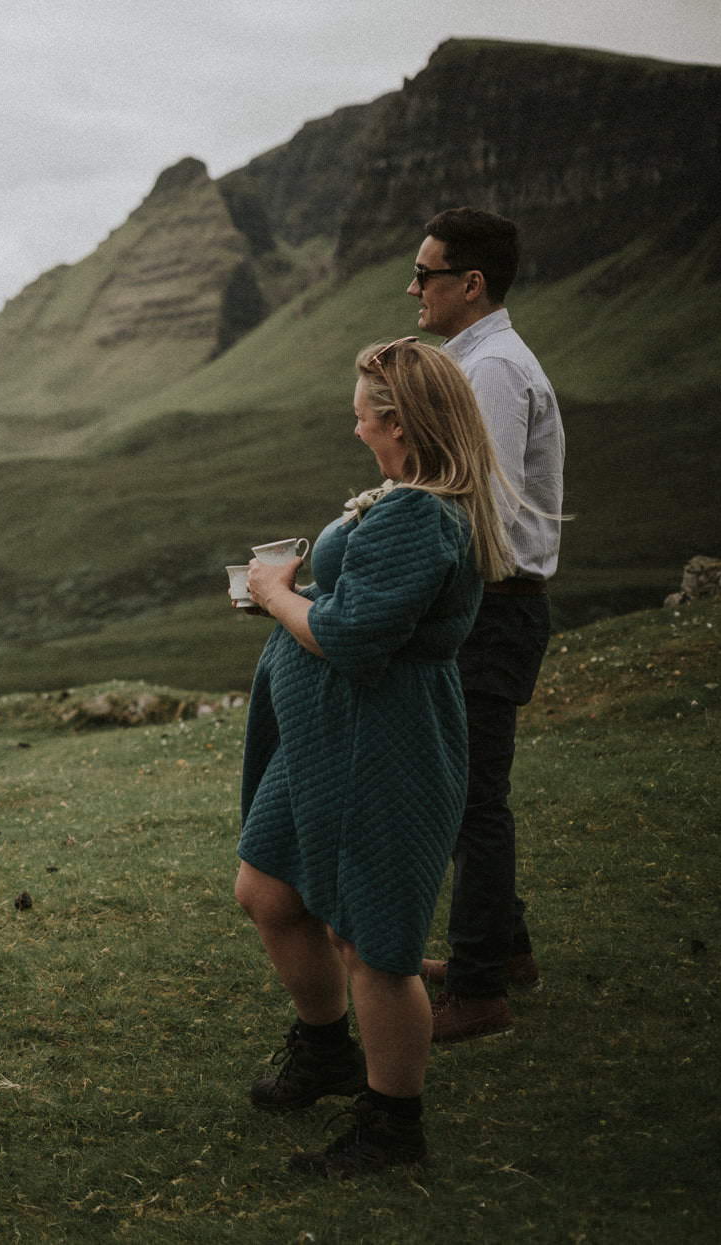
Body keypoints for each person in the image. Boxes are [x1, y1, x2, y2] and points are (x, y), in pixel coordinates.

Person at [235, 336, 515, 1177]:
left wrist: (279, 594)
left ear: (396, 421)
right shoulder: (407, 498)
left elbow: (355, 639)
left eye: (361, 415)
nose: (355, 428)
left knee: (375, 942)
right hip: (326, 737)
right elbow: (363, 609)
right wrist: (298, 600)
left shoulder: (422, 511)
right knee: (269, 886)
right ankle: (325, 1049)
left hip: (376, 741)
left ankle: (393, 1125)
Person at [408, 208, 565, 1044]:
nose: (414, 288)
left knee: (473, 801)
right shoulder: (474, 362)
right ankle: (502, 952)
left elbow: (486, 505)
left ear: (470, 284)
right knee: (469, 791)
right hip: (488, 603)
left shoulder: (493, 372)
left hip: (494, 606)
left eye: (426, 273)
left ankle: (477, 989)